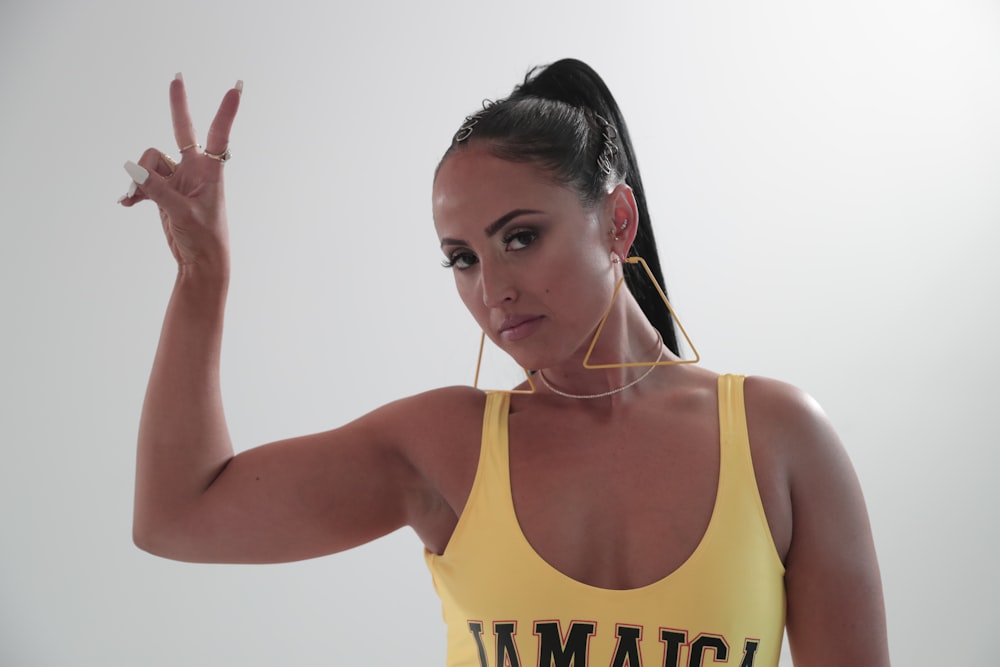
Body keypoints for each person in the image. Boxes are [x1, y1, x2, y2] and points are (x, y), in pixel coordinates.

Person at [119, 60, 889, 667]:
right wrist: (202, 276)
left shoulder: (778, 439)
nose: (493, 290)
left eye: (520, 237)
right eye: (461, 258)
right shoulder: (444, 444)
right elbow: (178, 518)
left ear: (616, 221)